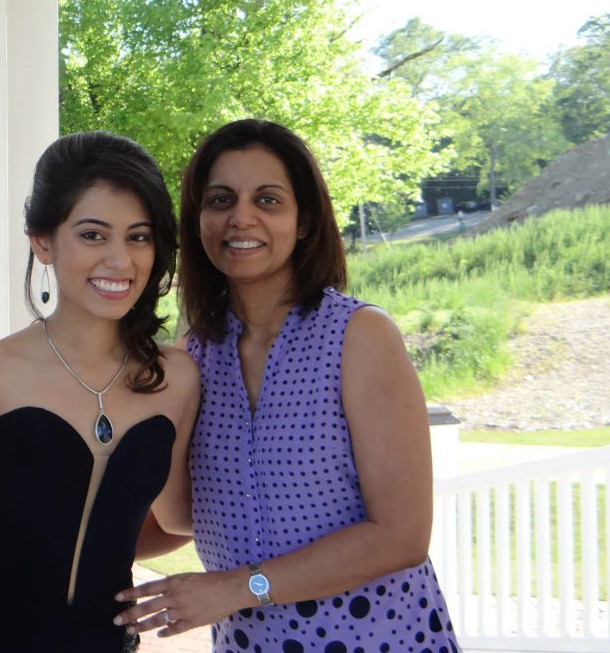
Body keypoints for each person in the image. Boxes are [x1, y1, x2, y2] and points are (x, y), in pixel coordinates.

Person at [114, 119, 460, 652]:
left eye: (268, 200)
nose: (241, 217)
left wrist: (238, 587)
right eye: (221, 199)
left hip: (383, 638)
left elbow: (403, 535)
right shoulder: (191, 358)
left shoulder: (360, 336)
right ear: (199, 220)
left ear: (303, 222)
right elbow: (186, 517)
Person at [0, 131, 199, 652]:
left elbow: (176, 519)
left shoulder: (178, 378)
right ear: (43, 239)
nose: (121, 261)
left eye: (139, 237)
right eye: (93, 235)